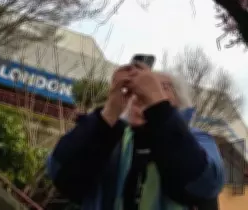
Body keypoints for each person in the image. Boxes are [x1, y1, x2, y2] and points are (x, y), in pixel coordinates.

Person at [46, 64, 225, 210]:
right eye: (135, 89)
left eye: (160, 87)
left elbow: (205, 183)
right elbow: (61, 175)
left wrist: (159, 109)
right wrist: (109, 113)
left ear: (177, 102)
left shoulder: (198, 140)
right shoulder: (109, 139)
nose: (141, 93)